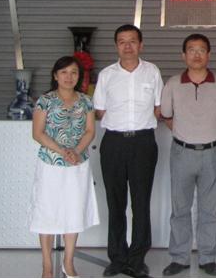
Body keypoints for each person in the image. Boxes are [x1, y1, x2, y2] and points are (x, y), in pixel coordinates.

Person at [93, 25, 163, 278]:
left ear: (140, 45)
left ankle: (137, 259)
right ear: (116, 46)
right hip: (113, 142)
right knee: (116, 203)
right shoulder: (107, 75)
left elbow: (159, 107)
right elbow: (99, 111)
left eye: (132, 41)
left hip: (143, 143)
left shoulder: (152, 71)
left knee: (141, 202)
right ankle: (117, 258)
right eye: (122, 41)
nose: (127, 46)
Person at [161, 34, 216, 277]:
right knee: (180, 207)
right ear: (183, 55)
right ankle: (179, 258)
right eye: (191, 50)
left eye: (201, 50)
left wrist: (207, 134)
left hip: (213, 153)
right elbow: (167, 116)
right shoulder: (172, 84)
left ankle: (207, 257)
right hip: (182, 153)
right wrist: (186, 134)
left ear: (209, 54)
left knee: (209, 209)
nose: (197, 54)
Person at [29, 56, 99, 279]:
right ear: (55, 75)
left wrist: (76, 151)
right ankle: (47, 266)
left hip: (77, 163)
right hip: (51, 163)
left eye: (74, 72)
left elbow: (90, 131)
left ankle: (68, 263)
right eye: (64, 72)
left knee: (73, 211)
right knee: (47, 212)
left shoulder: (86, 101)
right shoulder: (45, 101)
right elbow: (37, 133)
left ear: (79, 76)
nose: (69, 77)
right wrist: (62, 151)